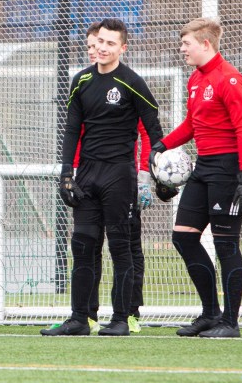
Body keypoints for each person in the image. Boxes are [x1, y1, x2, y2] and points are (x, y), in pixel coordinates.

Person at [41, 18, 162, 336]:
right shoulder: (81, 80)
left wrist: (154, 174)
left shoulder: (132, 82)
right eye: (100, 42)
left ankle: (122, 318)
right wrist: (66, 174)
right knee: (82, 246)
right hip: (87, 175)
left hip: (119, 176)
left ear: (123, 47)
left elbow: (154, 130)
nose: (103, 48)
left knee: (120, 247)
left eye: (111, 43)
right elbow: (71, 130)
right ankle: (80, 318)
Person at [149, 17, 242, 338]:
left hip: (228, 170)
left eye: (186, 44)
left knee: (226, 246)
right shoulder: (196, 79)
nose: (182, 49)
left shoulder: (230, 79)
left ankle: (231, 323)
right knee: (183, 237)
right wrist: (161, 146)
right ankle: (211, 313)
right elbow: (192, 124)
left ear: (205, 44)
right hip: (203, 167)